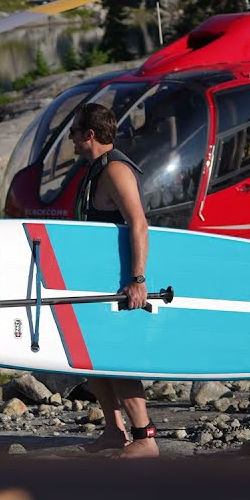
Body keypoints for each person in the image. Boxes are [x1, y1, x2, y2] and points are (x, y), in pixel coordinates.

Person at [68, 103, 159, 459]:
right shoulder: (95, 169)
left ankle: (145, 437)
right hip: (95, 284)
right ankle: (113, 431)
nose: (72, 139)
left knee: (114, 359)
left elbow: (138, 223)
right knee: (91, 361)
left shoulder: (115, 169)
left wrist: (138, 279)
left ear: (90, 134)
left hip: (119, 284)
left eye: (75, 132)